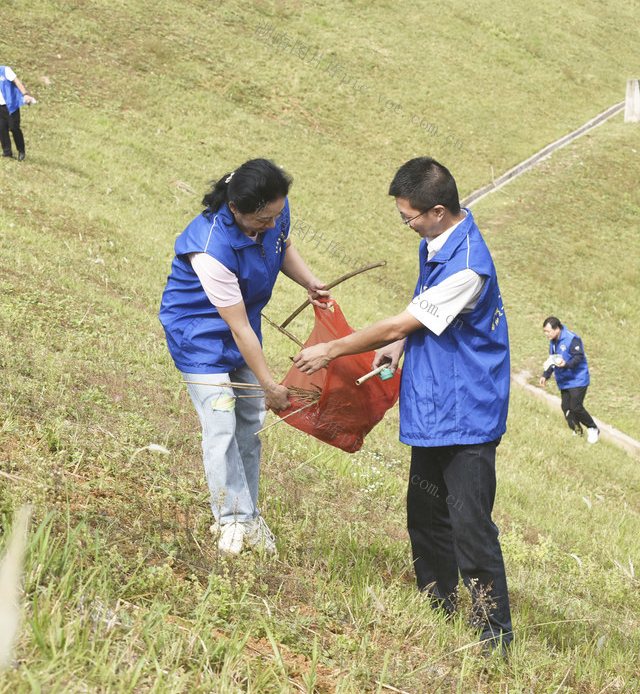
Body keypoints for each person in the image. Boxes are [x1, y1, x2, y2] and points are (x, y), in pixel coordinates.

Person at [293, 157, 513, 655]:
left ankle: (492, 637)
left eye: (408, 217)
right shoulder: (435, 242)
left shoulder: (468, 267)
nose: (406, 225)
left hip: (467, 413)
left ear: (437, 210)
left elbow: (398, 322)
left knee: (470, 524)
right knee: (425, 513)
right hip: (432, 404)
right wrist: (401, 348)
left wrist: (331, 349)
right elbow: (417, 318)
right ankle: (438, 608)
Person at [159, 159, 329, 556]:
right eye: (262, 219)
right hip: (199, 336)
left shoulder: (273, 210)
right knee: (220, 422)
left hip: (243, 330)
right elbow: (237, 328)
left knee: (251, 421)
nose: (271, 224)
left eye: (275, 215)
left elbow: (282, 244)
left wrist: (309, 281)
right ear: (236, 209)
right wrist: (270, 383)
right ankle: (231, 520)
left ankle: (249, 515)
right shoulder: (210, 247)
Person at [539, 317, 599, 443]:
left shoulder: (572, 339)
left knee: (575, 406)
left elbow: (578, 357)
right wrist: (545, 375)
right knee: (566, 407)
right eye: (545, 331)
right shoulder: (553, 341)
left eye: (548, 331)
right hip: (564, 381)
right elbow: (553, 359)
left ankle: (593, 428)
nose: (546, 334)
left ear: (557, 329)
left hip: (578, 379)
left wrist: (566, 365)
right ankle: (577, 431)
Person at [0, 58, 34, 161]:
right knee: (1, 129)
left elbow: (17, 82)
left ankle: (21, 150)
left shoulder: (5, 70)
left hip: (11, 106)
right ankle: (7, 152)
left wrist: (25, 94)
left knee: (14, 128)